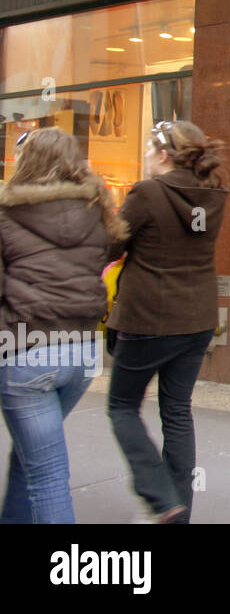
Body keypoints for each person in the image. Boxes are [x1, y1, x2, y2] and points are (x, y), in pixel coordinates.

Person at [0, 128, 126, 523]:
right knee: (32, 457)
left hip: (26, 350)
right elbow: (115, 250)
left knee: (47, 473)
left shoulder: (5, 213)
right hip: (83, 352)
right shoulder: (97, 211)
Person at [106, 120, 229, 523]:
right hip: (196, 318)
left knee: (123, 406)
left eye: (146, 150)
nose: (143, 157)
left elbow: (111, 244)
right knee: (177, 411)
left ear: (162, 154)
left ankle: (160, 497)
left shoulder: (147, 192)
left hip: (147, 318)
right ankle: (179, 510)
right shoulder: (213, 193)